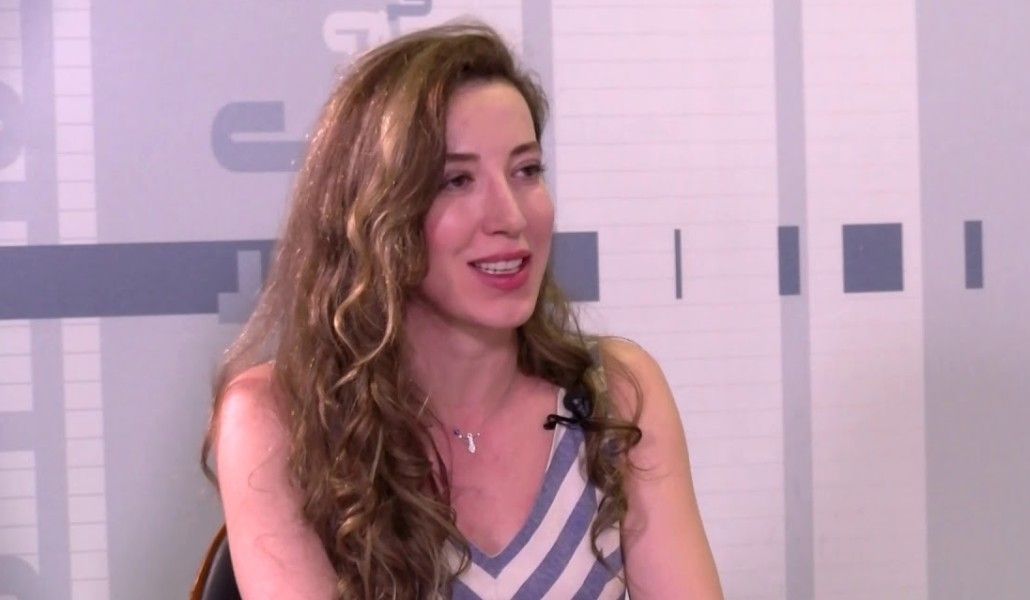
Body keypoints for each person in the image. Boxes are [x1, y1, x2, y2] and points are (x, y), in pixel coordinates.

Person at [202, 22, 724, 599]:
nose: (510, 217)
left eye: (526, 171)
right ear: (373, 214)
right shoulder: (276, 417)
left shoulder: (617, 395)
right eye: (456, 180)